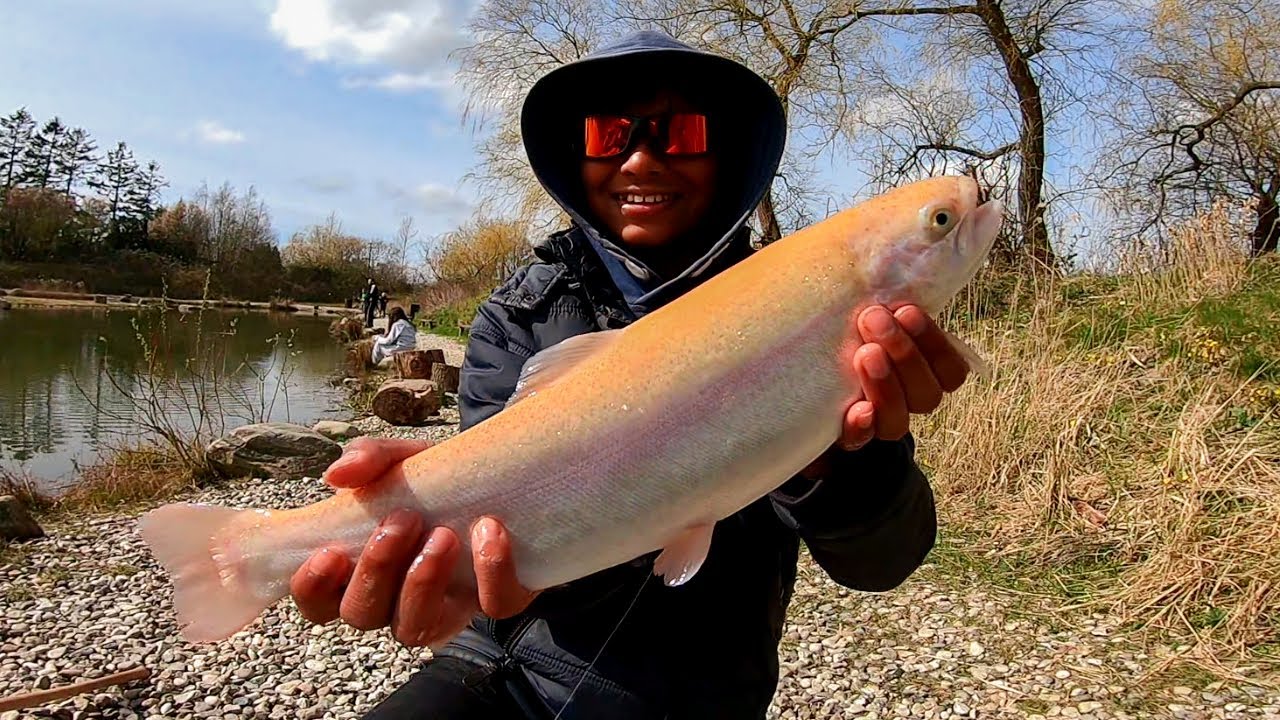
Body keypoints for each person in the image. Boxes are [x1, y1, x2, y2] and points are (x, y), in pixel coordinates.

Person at [290, 30, 971, 719]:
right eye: (609, 133)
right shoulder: (516, 316)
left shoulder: (813, 310)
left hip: (708, 696)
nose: (641, 159)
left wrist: (850, 460)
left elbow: (883, 564)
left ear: (729, 153)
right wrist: (436, 549)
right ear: (576, 155)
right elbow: (497, 518)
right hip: (506, 664)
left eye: (682, 133)